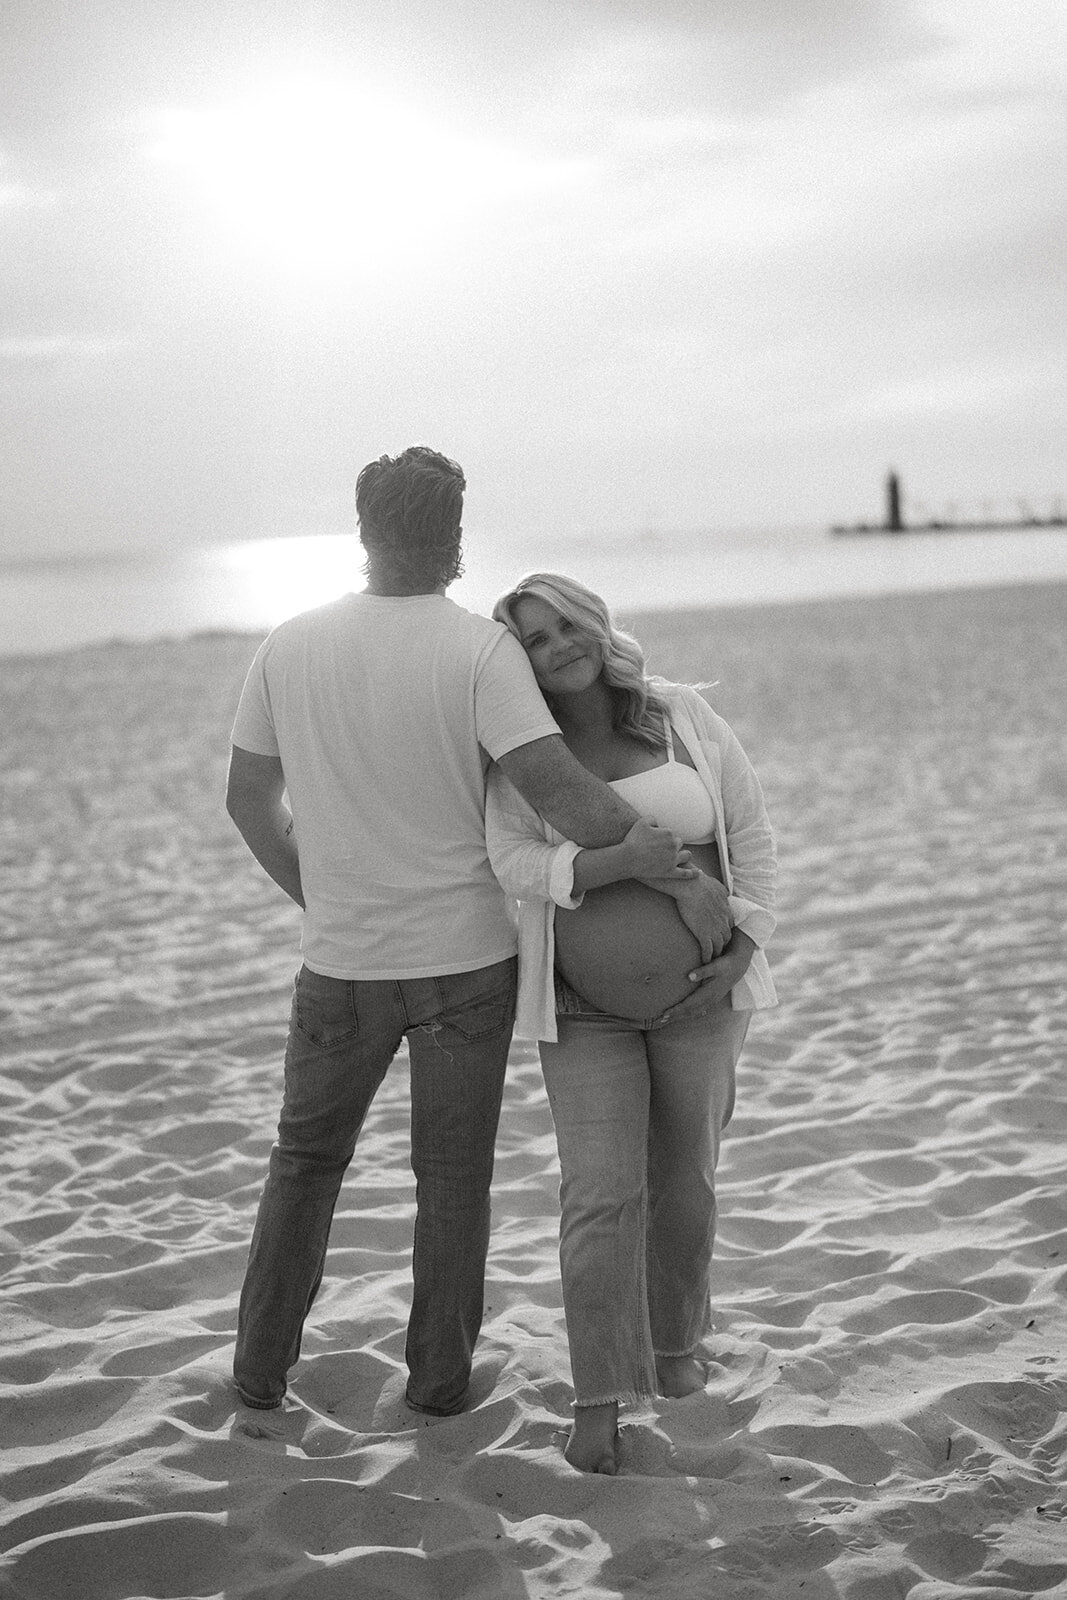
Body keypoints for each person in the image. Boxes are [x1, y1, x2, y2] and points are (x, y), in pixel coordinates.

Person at [224, 448, 733, 1420]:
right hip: (464, 966)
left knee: (302, 1166)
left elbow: (249, 799)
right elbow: (568, 799)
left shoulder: (286, 644)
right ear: (453, 538)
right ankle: (439, 1382)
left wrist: (320, 899)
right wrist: (678, 876)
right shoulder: (477, 650)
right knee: (450, 1182)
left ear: (364, 531)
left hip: (340, 965)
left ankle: (259, 1373)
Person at [485, 572, 777, 1473]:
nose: (556, 646)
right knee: (601, 1192)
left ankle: (675, 1350)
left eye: (565, 625)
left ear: (595, 625)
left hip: (704, 995)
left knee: (684, 1182)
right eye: (532, 639)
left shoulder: (681, 715)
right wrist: (613, 864)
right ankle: (597, 1396)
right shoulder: (521, 752)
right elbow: (511, 861)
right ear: (518, 659)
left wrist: (745, 944)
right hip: (580, 1009)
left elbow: (751, 834)